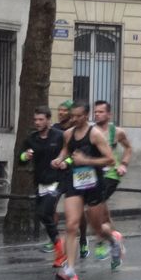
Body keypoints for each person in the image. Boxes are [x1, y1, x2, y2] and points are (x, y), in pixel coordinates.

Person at [51, 101, 125, 280]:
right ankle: (70, 270)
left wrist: (86, 161)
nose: (74, 119)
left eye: (78, 116)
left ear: (86, 116)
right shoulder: (68, 134)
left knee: (97, 228)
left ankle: (113, 240)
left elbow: (110, 160)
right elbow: (65, 151)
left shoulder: (95, 134)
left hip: (94, 184)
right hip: (75, 182)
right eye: (72, 116)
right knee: (71, 225)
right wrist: (59, 160)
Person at [19, 106, 67, 268]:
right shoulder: (31, 138)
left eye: (41, 119)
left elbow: (71, 153)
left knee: (44, 211)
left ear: (48, 120)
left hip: (57, 181)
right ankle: (59, 245)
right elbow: (20, 159)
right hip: (41, 182)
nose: (37, 123)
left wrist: (65, 163)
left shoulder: (59, 136)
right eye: (35, 120)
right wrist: (25, 156)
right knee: (43, 215)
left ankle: (60, 249)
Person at [93, 100, 132, 259]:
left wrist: (123, 164)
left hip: (111, 175)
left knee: (96, 208)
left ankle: (101, 242)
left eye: (101, 112)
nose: (97, 114)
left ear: (109, 114)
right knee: (102, 213)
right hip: (94, 175)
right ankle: (115, 238)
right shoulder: (91, 131)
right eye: (95, 112)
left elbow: (128, 148)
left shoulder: (116, 132)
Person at [49, 99, 87, 257]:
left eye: (65, 110)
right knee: (51, 204)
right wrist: (56, 160)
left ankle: (83, 238)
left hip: (75, 174)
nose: (61, 113)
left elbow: (78, 153)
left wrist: (67, 162)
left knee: (78, 212)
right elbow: (58, 150)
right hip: (57, 175)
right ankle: (54, 237)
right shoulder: (55, 129)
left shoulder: (77, 131)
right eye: (59, 109)